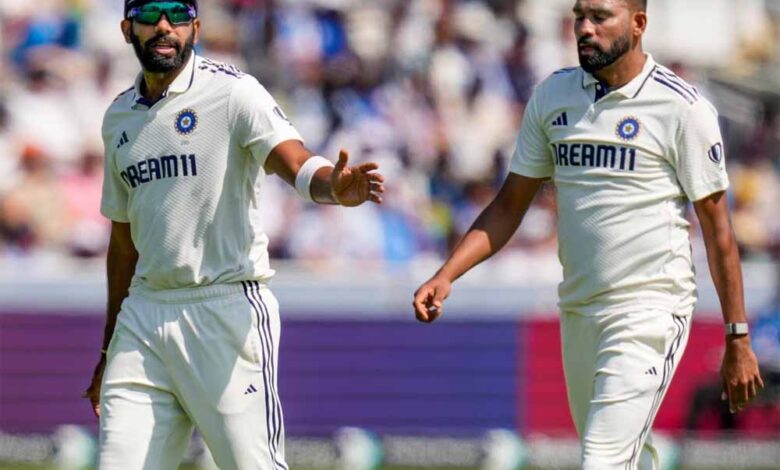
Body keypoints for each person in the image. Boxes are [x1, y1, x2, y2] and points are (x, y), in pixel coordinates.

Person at [413, 0, 763, 468]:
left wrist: (737, 337)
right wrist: (447, 274)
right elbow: (510, 204)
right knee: (624, 456)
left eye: (600, 17)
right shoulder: (552, 96)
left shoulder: (682, 107)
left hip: (650, 310)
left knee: (602, 460)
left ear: (638, 24)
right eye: (580, 16)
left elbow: (718, 230)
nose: (585, 28)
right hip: (579, 309)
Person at [82, 1, 384, 469]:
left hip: (224, 308)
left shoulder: (233, 92)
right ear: (127, 29)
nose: (164, 26)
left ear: (196, 27)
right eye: (151, 13)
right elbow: (123, 242)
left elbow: (296, 161)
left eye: (177, 14)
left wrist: (333, 188)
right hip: (143, 316)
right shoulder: (118, 116)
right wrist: (108, 348)